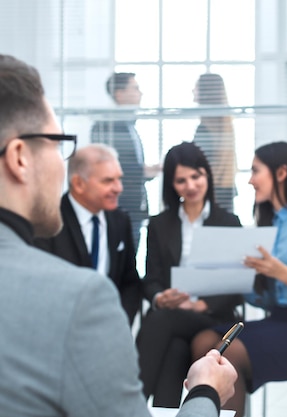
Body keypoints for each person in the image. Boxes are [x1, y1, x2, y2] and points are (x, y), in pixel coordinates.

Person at [0, 53, 237, 417]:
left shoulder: (127, 223)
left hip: (205, 316)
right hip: (153, 329)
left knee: (174, 351)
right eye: (58, 143)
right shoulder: (83, 296)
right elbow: (148, 279)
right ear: (19, 158)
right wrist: (205, 392)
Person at [191, 141, 287, 416]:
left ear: (281, 173)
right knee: (204, 342)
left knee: (224, 354)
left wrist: (283, 273)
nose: (251, 180)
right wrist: (237, 279)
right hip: (280, 320)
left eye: (256, 171)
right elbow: (267, 298)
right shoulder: (271, 221)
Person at [137, 141, 243, 407]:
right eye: (181, 180)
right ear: (172, 185)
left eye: (196, 176)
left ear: (206, 175)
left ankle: (131, 403)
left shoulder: (230, 223)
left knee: (160, 321)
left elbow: (236, 284)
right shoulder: (159, 224)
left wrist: (200, 304)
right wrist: (161, 297)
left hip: (213, 316)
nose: (191, 186)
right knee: (175, 351)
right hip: (173, 314)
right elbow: (151, 279)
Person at [34, 143, 142, 324]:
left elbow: (130, 281)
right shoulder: (47, 222)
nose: (119, 188)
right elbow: (41, 287)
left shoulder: (120, 220)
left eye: (119, 179)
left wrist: (120, 322)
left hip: (109, 329)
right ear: (78, 183)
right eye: (108, 181)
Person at [91, 72, 160, 247]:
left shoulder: (129, 126)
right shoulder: (105, 127)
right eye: (135, 88)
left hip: (134, 207)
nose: (140, 93)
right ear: (119, 94)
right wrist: (142, 171)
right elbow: (105, 169)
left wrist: (147, 172)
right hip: (118, 205)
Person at [192, 73, 237, 212]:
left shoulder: (205, 130)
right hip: (225, 190)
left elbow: (197, 166)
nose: (193, 90)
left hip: (211, 193)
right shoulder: (224, 126)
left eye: (196, 87)